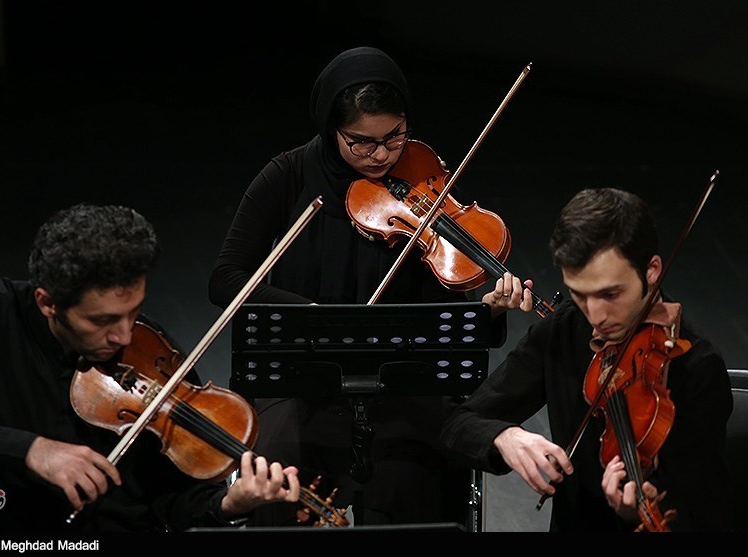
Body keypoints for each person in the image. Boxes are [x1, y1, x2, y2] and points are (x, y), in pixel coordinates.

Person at [208, 46, 530, 527]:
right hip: (304, 379)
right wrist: (312, 313)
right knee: (279, 473)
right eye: (361, 142)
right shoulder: (288, 175)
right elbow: (227, 279)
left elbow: (447, 310)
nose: (381, 155)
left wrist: (489, 312)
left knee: (417, 477)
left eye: (395, 137)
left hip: (403, 383)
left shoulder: (423, 178)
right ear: (330, 127)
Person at [0, 203, 301, 533]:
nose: (124, 335)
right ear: (48, 303)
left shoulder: (149, 348)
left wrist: (228, 504)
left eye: (133, 312)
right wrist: (31, 450)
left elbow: (173, 502)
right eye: (102, 320)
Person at [440, 187, 734, 531]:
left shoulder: (696, 366)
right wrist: (504, 437)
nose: (596, 316)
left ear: (652, 271)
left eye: (610, 294)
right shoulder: (565, 328)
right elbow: (457, 425)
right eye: (580, 294)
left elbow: (705, 511)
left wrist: (639, 510)